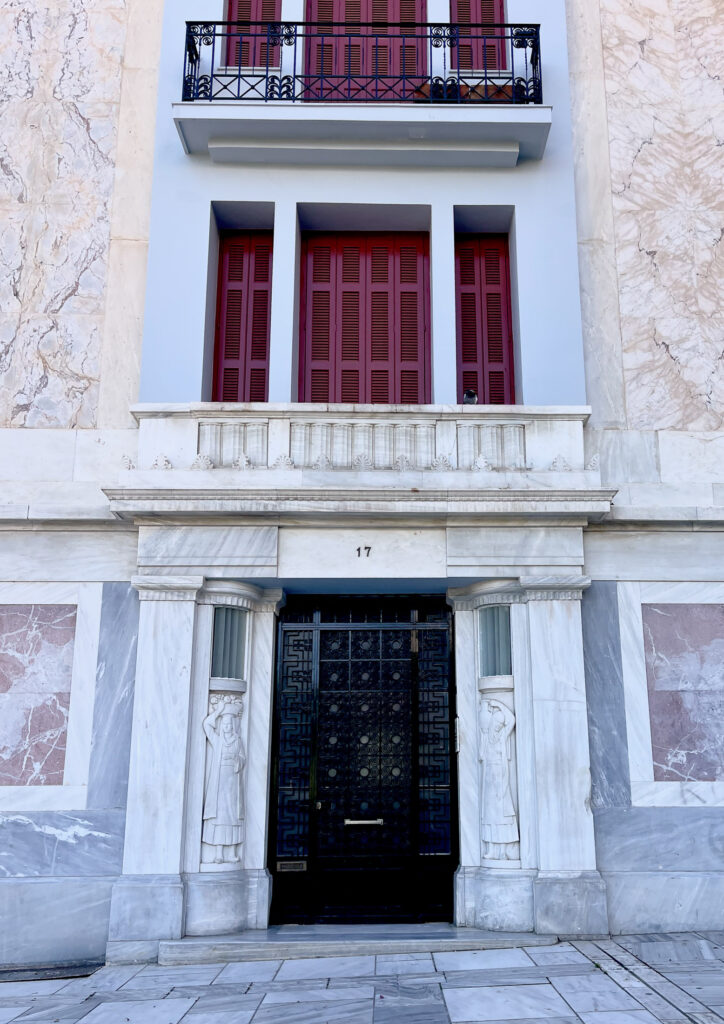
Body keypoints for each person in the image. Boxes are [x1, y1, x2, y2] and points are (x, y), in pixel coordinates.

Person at [202, 697, 245, 863]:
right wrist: (218, 711)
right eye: (224, 724)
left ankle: (232, 852)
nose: (227, 727)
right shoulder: (218, 740)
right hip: (219, 782)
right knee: (219, 816)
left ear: (234, 725)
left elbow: (243, 758)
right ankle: (219, 853)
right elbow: (206, 725)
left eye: (229, 724)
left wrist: (236, 760)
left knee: (233, 816)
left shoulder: (238, 741)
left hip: (233, 782)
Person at [479, 698, 519, 861]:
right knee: (489, 816)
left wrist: (499, 704)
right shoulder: (485, 738)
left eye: (498, 725)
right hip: (489, 780)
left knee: (502, 816)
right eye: (494, 724)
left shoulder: (503, 737)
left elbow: (511, 719)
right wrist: (486, 706)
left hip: (500, 780)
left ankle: (503, 851)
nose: (496, 727)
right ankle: (491, 849)